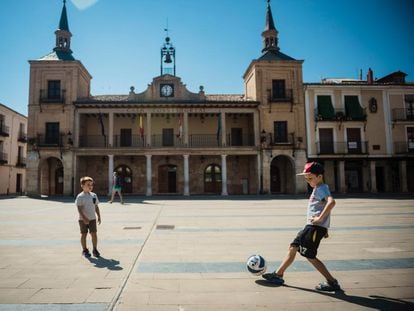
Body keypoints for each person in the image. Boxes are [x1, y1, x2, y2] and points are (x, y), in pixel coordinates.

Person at [262, 162, 341, 291]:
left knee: (310, 256)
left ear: (319, 176)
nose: (307, 180)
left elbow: (331, 202)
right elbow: (321, 207)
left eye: (310, 177)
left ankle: (332, 282)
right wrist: (324, 226)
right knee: (293, 247)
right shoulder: (318, 187)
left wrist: (321, 221)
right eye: (306, 178)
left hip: (313, 228)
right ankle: (278, 274)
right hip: (311, 227)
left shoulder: (322, 188)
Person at [75, 176, 101, 258]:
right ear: (82, 186)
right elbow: (79, 208)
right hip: (83, 220)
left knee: (94, 234)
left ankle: (95, 249)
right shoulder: (80, 196)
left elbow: (96, 206)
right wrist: (84, 218)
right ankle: (85, 249)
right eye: (88, 184)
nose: (90, 186)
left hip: (92, 218)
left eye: (91, 185)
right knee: (84, 234)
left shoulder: (94, 195)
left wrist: (99, 216)